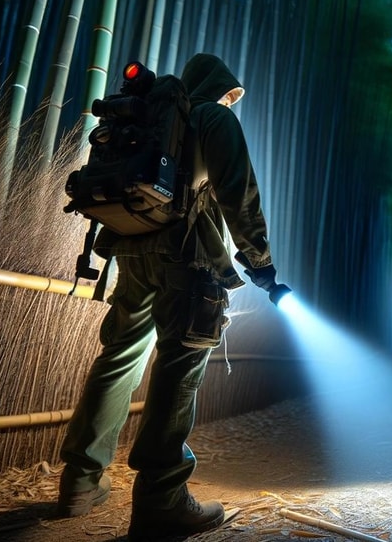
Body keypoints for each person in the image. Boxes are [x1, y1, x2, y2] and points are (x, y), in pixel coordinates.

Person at [56, 53, 281, 541]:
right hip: (187, 259)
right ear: (221, 88)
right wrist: (259, 262)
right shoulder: (212, 118)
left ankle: (79, 480)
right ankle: (162, 498)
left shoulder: (157, 118)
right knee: (178, 367)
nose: (229, 102)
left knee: (118, 358)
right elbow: (238, 194)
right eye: (229, 95)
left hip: (132, 250)